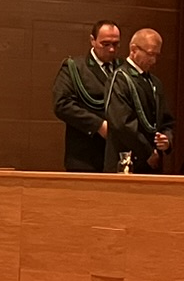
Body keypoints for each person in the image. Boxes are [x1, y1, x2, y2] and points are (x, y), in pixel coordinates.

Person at [52, 20, 133, 172]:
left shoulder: (124, 69)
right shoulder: (75, 67)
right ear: (92, 40)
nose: (111, 49)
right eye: (105, 44)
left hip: (118, 156)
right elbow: (62, 105)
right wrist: (98, 125)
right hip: (85, 155)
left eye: (115, 44)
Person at [106, 28, 175, 173]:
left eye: (156, 55)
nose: (153, 60)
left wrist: (166, 140)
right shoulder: (119, 79)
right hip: (126, 162)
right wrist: (148, 152)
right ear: (133, 50)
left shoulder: (155, 82)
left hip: (153, 164)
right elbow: (122, 124)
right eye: (150, 54)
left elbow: (166, 120)